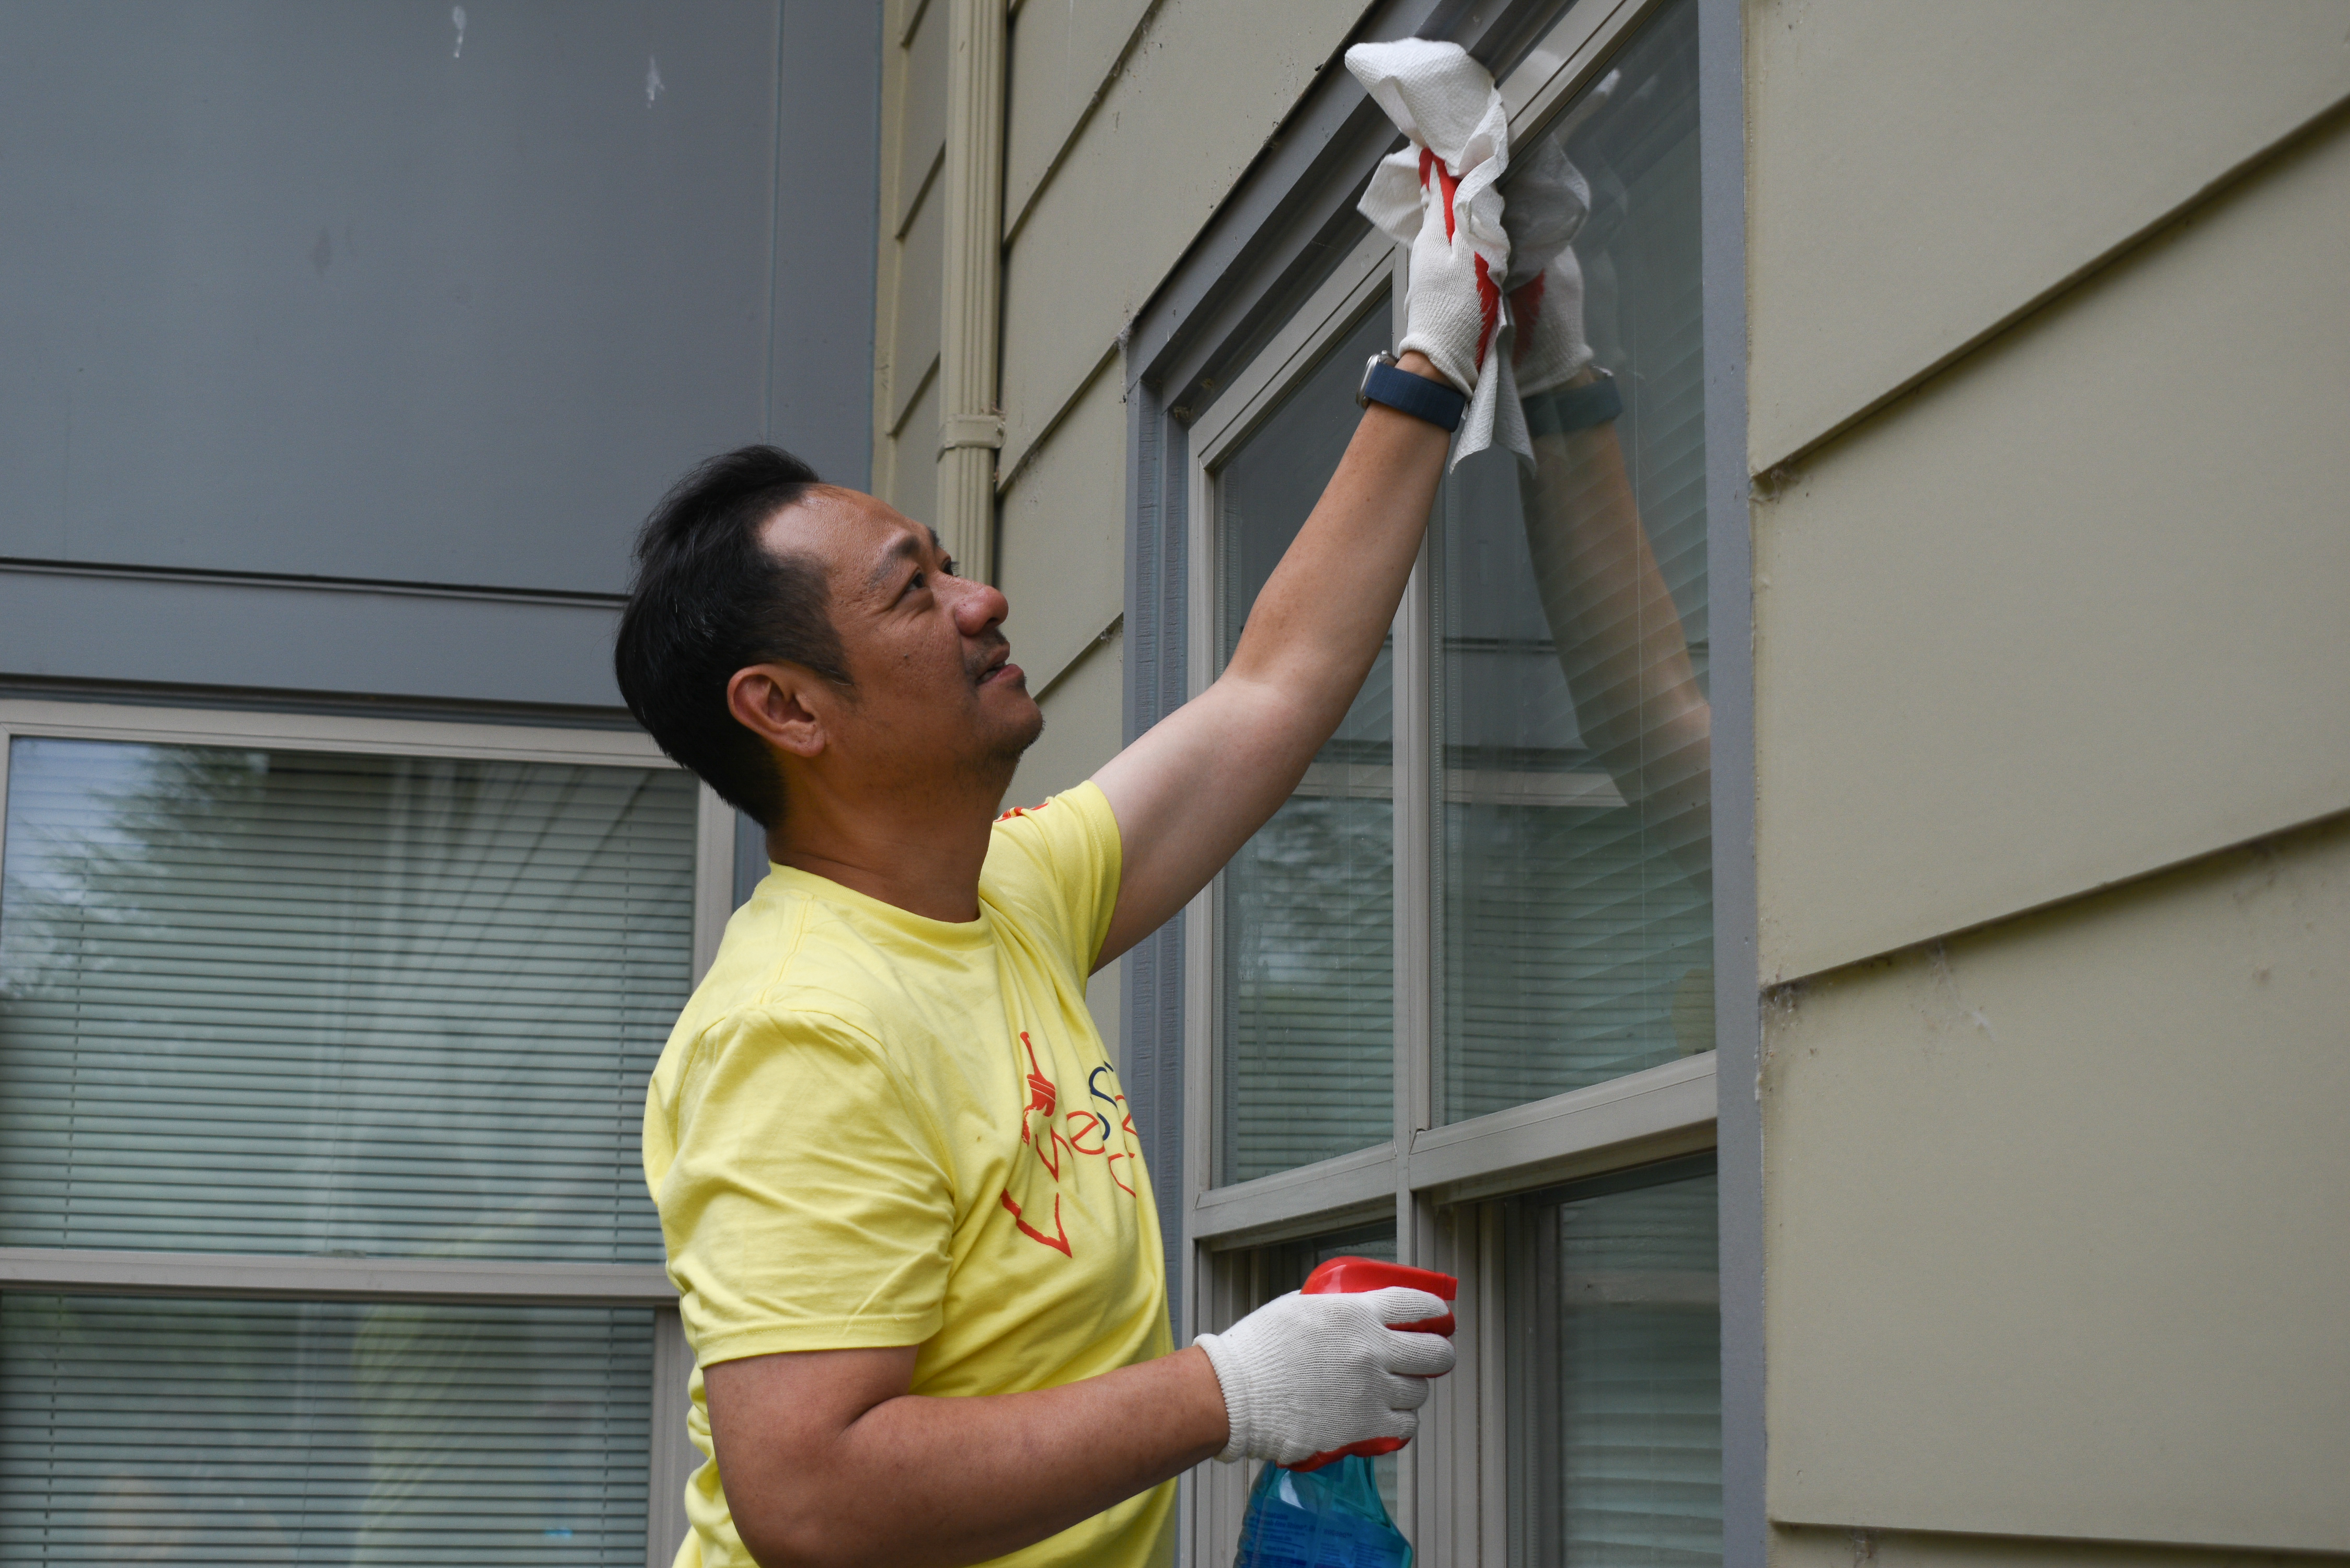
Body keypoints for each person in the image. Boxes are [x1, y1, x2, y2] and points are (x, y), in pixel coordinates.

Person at [614, 43, 1506, 1568]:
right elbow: (809, 1496)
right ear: (787, 708)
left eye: (952, 562)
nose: (984, 598)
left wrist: (1433, 346)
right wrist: (1222, 1391)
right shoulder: (804, 1028)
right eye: (917, 592)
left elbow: (1268, 691)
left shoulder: (1002, 896)